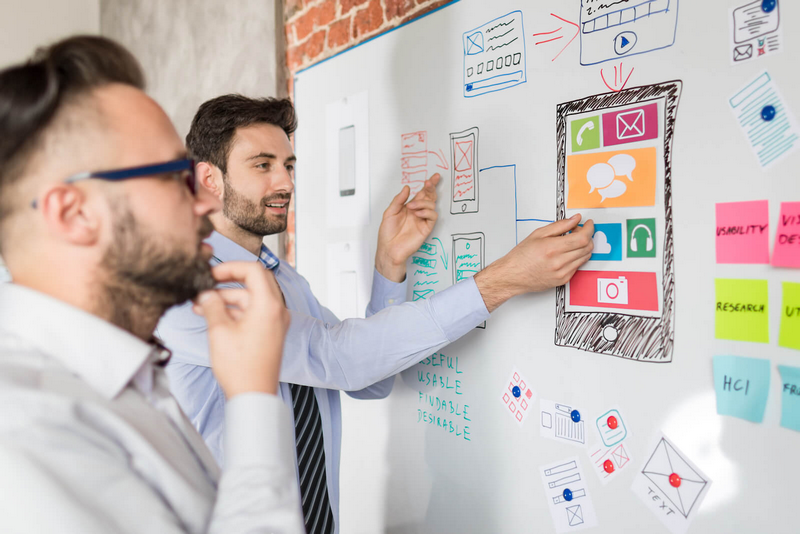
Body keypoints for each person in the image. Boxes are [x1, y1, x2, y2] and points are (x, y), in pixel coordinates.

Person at [157, 95, 595, 533]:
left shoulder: (282, 278)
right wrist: (504, 279)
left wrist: (389, 265)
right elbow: (342, 360)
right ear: (208, 179)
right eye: (262, 165)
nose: (285, 182)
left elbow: (367, 379)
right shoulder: (189, 290)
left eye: (288, 166)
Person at [0, 36, 304, 533]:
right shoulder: (23, 431)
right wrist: (252, 398)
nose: (207, 203)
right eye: (173, 176)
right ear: (74, 214)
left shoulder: (127, 373)